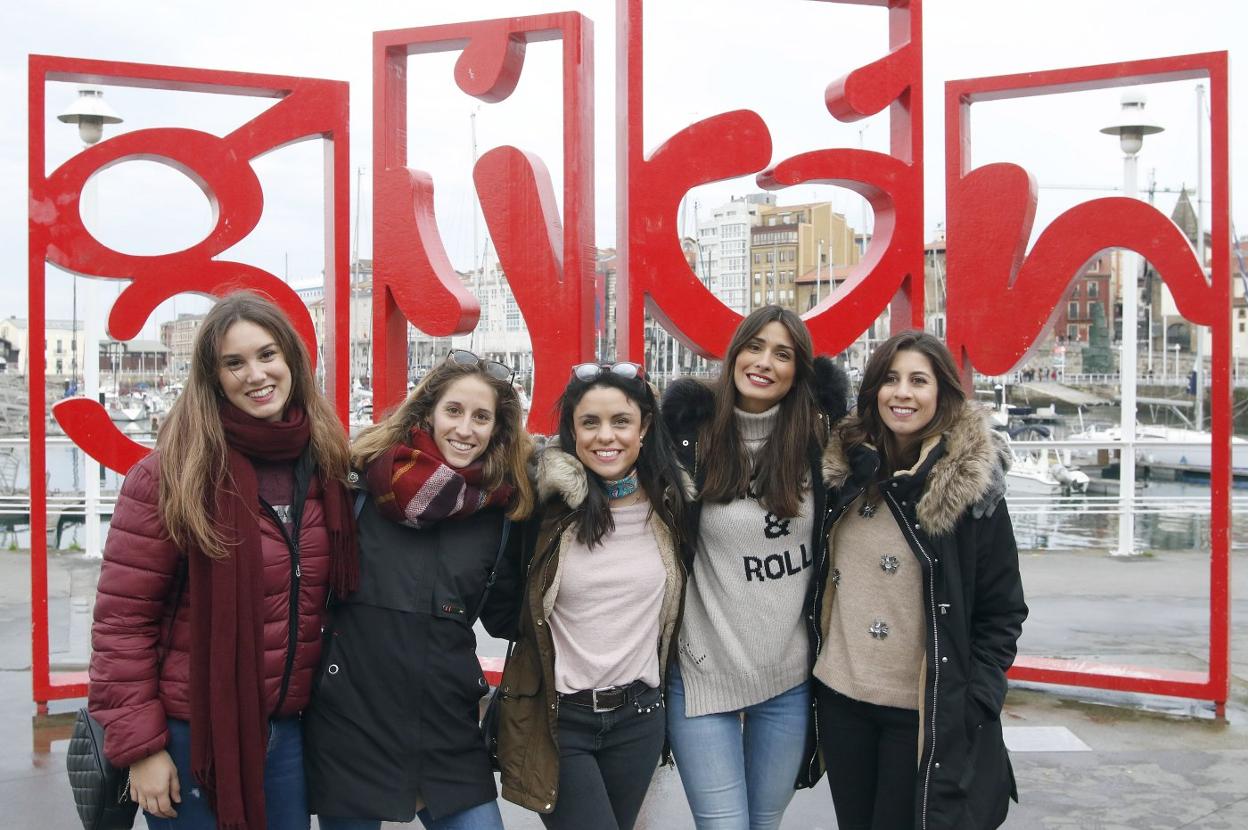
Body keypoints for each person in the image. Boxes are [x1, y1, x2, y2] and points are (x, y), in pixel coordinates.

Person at [88, 291, 357, 830]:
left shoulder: (326, 463)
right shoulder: (171, 475)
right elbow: (123, 623)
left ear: (293, 362)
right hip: (193, 734)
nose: (255, 374)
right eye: (233, 363)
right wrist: (142, 748)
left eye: (267, 354)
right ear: (211, 377)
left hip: (288, 729)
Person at [305, 350, 536, 830]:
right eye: (453, 411)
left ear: (498, 429)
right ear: (427, 411)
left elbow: (507, 618)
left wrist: (559, 523)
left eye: (481, 417)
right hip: (352, 724)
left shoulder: (501, 514)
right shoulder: (359, 487)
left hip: (445, 730)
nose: (465, 429)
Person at [812, 329, 1027, 830]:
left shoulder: (968, 489)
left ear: (942, 393)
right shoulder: (843, 473)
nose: (902, 393)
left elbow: (1003, 609)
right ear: (873, 391)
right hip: (841, 699)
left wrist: (979, 697)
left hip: (920, 710)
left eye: (918, 381)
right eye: (890, 379)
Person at [661, 306, 849, 830]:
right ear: (735, 354)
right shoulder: (687, 438)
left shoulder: (822, 443)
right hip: (703, 671)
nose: (764, 362)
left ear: (800, 369)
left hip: (788, 677)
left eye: (783, 353)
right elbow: (603, 448)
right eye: (754, 346)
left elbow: (911, 453)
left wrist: (977, 464)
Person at [495, 362, 688, 830]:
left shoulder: (672, 504)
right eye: (590, 423)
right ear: (572, 432)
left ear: (644, 427)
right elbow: (504, 611)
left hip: (640, 718)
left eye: (621, 421)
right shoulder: (544, 509)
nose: (607, 436)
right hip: (561, 721)